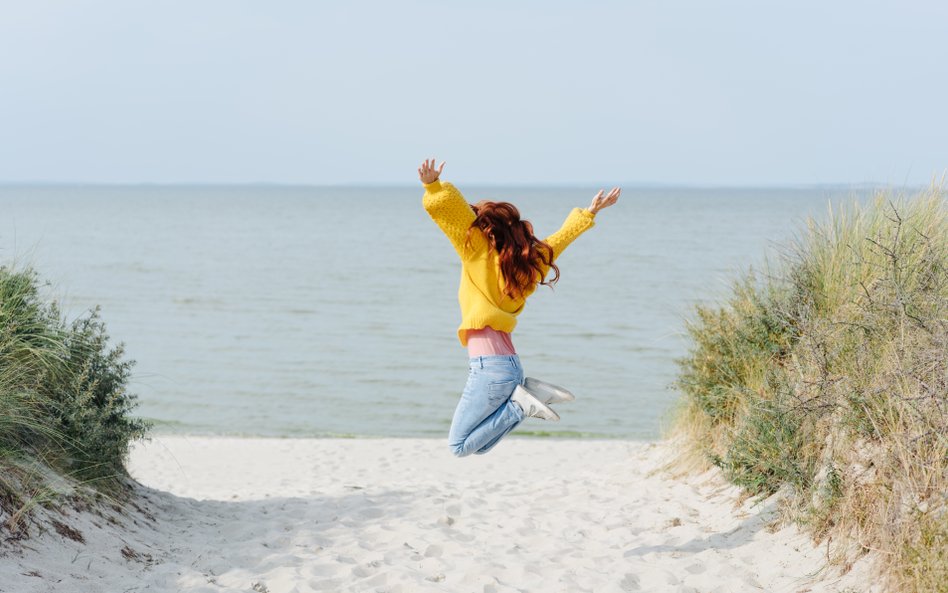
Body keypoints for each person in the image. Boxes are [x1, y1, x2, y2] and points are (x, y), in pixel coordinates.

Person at [418, 158, 619, 457]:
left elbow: (455, 214)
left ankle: (521, 404)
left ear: (486, 229)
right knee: (480, 446)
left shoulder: (476, 251)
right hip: (507, 367)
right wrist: (589, 213)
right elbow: (558, 242)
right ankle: (526, 398)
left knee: (459, 446)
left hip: (489, 369)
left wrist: (432, 186)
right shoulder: (526, 264)